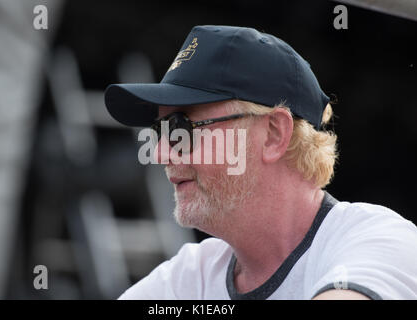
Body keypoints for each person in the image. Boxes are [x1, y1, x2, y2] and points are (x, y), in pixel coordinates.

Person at [104, 25, 417, 299]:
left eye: (179, 128)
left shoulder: (374, 240)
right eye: (159, 131)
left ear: (272, 134)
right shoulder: (188, 277)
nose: (160, 153)